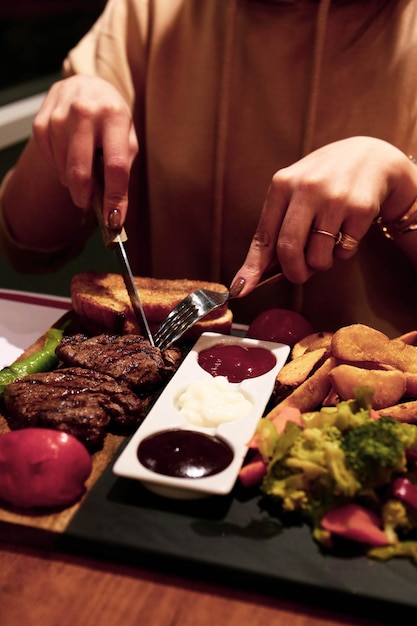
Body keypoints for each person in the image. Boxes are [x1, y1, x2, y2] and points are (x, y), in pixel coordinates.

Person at [2, 0, 417, 337]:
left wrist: (405, 192)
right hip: (168, 396)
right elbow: (27, 246)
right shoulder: (150, 11)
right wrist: (65, 118)